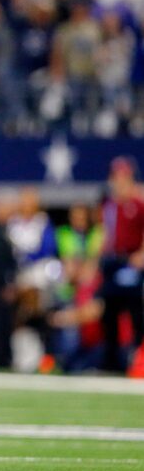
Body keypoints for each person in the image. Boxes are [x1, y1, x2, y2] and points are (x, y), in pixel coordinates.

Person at [99, 156, 144, 371]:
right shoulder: (110, 204)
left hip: (132, 261)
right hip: (112, 261)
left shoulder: (138, 202)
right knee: (109, 313)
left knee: (136, 312)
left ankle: (137, 359)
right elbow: (106, 233)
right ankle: (112, 363)